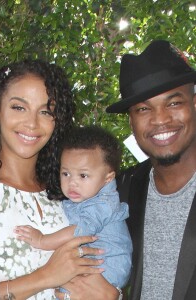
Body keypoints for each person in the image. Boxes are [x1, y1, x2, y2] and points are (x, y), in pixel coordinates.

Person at [0, 59, 105, 300]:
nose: (32, 123)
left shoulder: (68, 194)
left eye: (46, 111)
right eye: (18, 107)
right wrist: (45, 277)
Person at [106, 40, 196, 299]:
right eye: (144, 108)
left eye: (173, 103)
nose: (160, 120)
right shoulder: (122, 188)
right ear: (132, 121)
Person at [15, 125, 132, 294]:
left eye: (83, 175)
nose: (72, 183)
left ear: (108, 178)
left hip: (107, 269)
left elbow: (79, 231)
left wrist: (42, 240)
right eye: (66, 174)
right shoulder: (87, 195)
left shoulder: (104, 203)